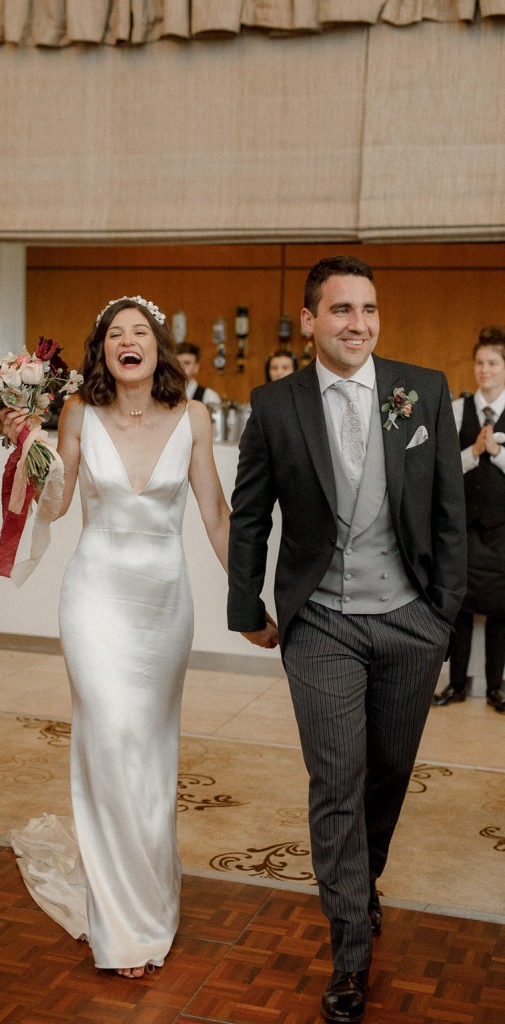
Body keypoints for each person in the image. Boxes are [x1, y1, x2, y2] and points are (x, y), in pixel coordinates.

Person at [227, 256, 466, 1023]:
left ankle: (362, 887)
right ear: (308, 321)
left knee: (388, 774)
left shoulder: (420, 389)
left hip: (408, 619)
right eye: (339, 310)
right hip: (320, 622)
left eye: (366, 309)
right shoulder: (274, 404)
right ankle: (349, 952)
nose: (356, 323)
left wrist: (441, 613)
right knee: (336, 778)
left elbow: (448, 511)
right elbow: (250, 515)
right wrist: (245, 606)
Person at [5, 295, 230, 978]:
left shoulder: (192, 417)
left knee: (151, 754)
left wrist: (258, 604)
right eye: (113, 334)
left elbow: (216, 514)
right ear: (100, 350)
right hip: (94, 602)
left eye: (139, 332)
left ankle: (151, 899)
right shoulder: (78, 413)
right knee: (107, 743)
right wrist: (32, 448)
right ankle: (119, 923)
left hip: (163, 609)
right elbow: (59, 503)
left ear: (157, 346)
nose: (127, 341)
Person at [433, 325, 505, 713]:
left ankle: (497, 688)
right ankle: (455, 685)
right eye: (480, 362)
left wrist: (497, 452)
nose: (485, 369)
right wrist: (475, 451)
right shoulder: (458, 409)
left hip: (502, 533)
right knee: (458, 608)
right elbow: (443, 468)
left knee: (500, 612)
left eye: (493, 362)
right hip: (462, 528)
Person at [176, 341, 221, 406]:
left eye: (187, 363)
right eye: (177, 363)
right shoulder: (161, 396)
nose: (181, 367)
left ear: (196, 367)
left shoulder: (209, 397)